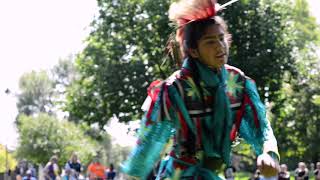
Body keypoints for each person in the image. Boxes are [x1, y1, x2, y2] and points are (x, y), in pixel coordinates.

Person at [121, 0, 280, 179]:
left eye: (221, 38)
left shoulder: (238, 82)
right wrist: (132, 175)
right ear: (194, 51)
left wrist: (269, 153)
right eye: (210, 42)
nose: (220, 46)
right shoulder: (174, 89)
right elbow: (149, 143)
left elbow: (261, 128)